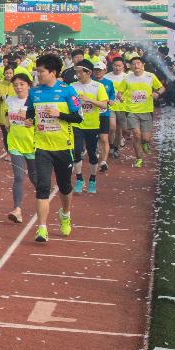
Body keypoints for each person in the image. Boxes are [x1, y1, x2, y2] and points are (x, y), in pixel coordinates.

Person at [26, 54, 84, 243]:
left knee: (65, 186)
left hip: (63, 146)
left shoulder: (68, 92)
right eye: (37, 71)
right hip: (42, 146)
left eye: (41, 72)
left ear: (52, 72)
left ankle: (65, 215)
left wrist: (60, 114)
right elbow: (30, 112)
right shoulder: (35, 92)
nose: (38, 75)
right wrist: (28, 120)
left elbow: (78, 117)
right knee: (42, 186)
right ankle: (42, 228)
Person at [70, 60, 109, 194]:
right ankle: (79, 178)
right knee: (76, 151)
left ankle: (92, 179)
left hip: (92, 125)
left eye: (80, 71)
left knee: (92, 153)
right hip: (77, 123)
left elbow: (104, 105)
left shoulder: (98, 87)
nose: (78, 74)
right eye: (76, 71)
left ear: (89, 73)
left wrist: (89, 99)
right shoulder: (72, 86)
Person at [4, 73, 36, 223]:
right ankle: (17, 210)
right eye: (15, 85)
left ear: (29, 85)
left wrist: (33, 122)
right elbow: (6, 114)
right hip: (15, 144)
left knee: (35, 178)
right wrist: (7, 123)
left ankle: (43, 198)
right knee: (18, 177)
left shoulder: (35, 101)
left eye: (22, 84)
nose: (18, 87)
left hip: (33, 146)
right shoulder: (9, 100)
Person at [121, 55, 162, 168]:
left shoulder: (150, 76)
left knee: (145, 138)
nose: (136, 66)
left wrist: (157, 93)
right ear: (130, 66)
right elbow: (120, 92)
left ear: (143, 65)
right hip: (131, 110)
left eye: (138, 63)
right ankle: (139, 159)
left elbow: (161, 88)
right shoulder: (127, 78)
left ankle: (146, 143)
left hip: (147, 110)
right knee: (136, 135)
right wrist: (120, 97)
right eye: (133, 64)